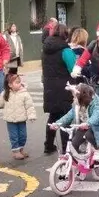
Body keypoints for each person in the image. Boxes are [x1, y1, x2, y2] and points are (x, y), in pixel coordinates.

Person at [50, 83, 99, 163]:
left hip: (95, 128)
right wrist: (57, 124)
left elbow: (97, 115)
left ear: (82, 98)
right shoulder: (77, 105)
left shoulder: (94, 103)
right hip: (82, 126)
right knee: (74, 143)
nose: (73, 99)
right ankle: (77, 163)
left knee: (89, 135)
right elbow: (69, 115)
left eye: (75, 97)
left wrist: (88, 123)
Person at [42, 24, 75, 154]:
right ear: (66, 35)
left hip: (49, 87)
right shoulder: (65, 50)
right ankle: (66, 149)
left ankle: (48, 145)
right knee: (65, 118)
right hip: (63, 88)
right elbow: (73, 69)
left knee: (53, 116)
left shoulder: (45, 49)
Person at [0, 73, 37, 160]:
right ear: (10, 85)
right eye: (17, 82)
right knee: (14, 136)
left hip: (21, 119)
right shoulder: (5, 93)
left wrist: (31, 115)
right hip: (10, 120)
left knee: (23, 135)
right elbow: (0, 103)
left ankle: (21, 149)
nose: (19, 84)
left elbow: (29, 106)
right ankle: (16, 152)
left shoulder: (25, 93)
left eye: (19, 82)